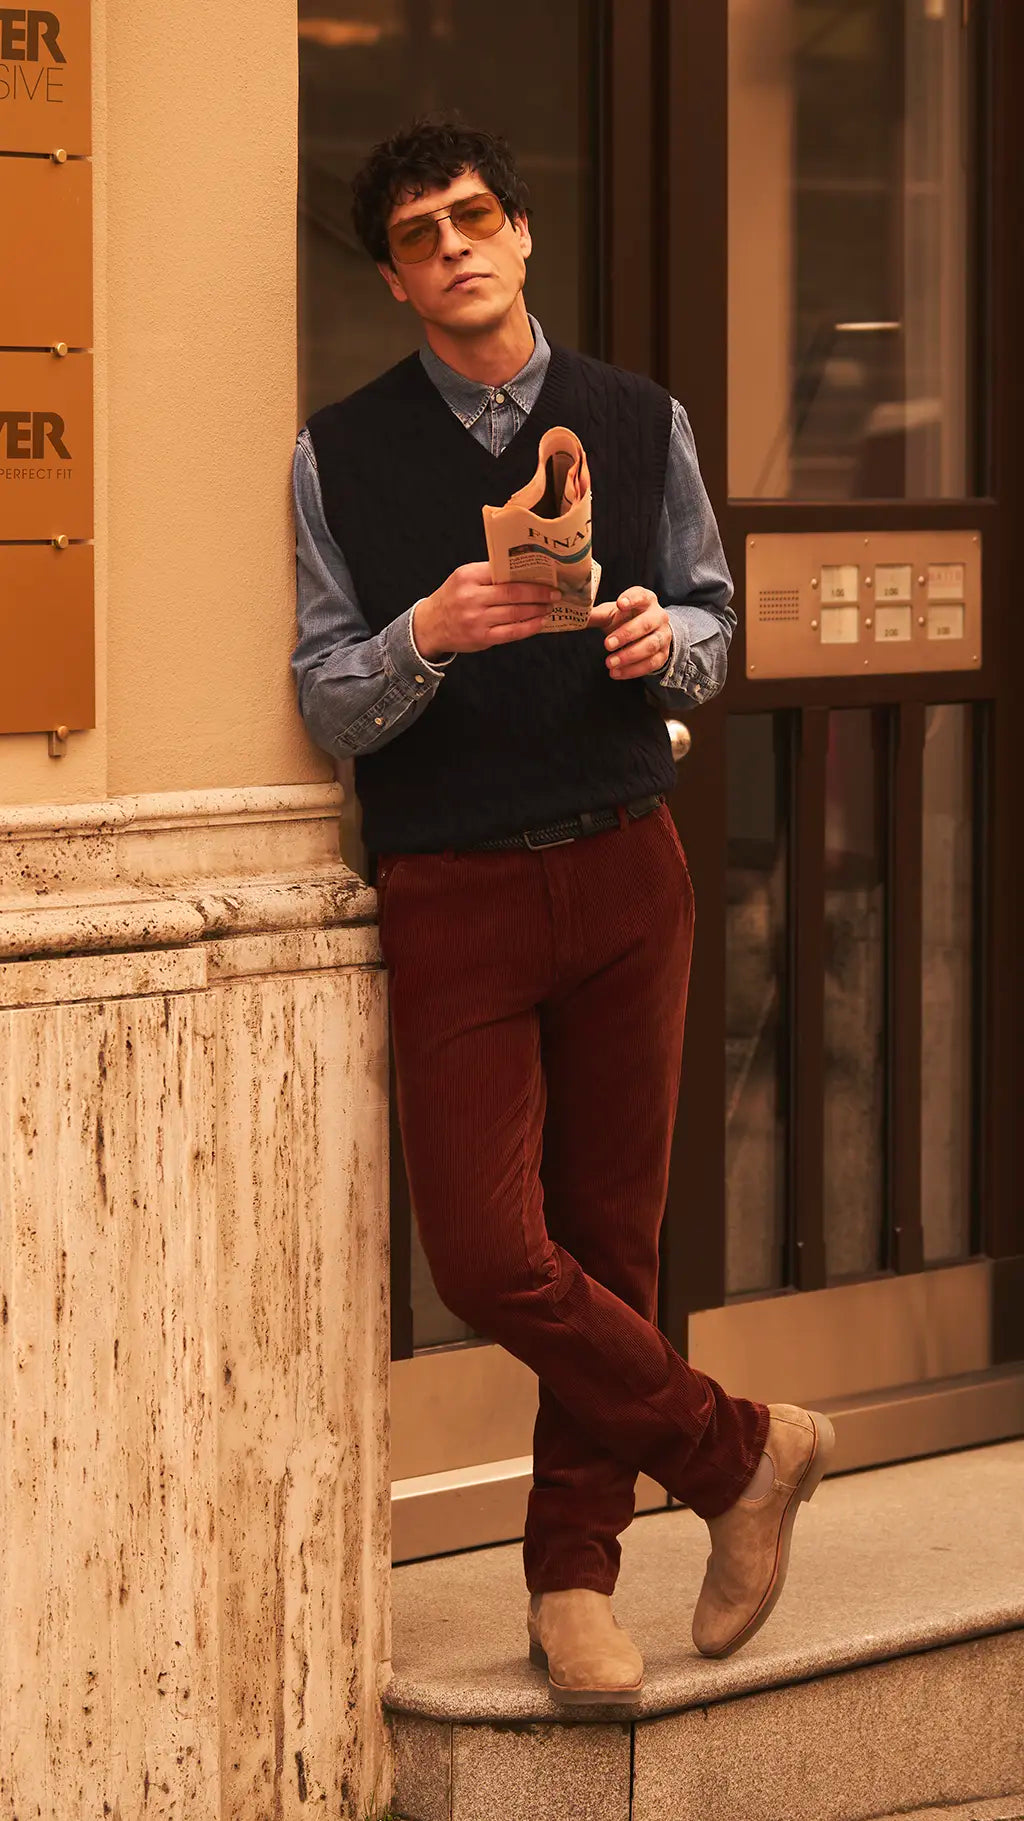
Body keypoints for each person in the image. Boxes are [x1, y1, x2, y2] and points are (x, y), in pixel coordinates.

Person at [291, 114, 834, 1703]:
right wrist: (427, 634)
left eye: (474, 217)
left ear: (523, 233)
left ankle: (573, 1581)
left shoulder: (639, 419)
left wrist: (668, 640)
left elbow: (717, 629)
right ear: (394, 282)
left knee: (612, 1237)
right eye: (418, 236)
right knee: (486, 1255)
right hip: (451, 884)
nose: (453, 247)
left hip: (623, 867)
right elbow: (326, 696)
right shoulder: (340, 452)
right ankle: (739, 1451)